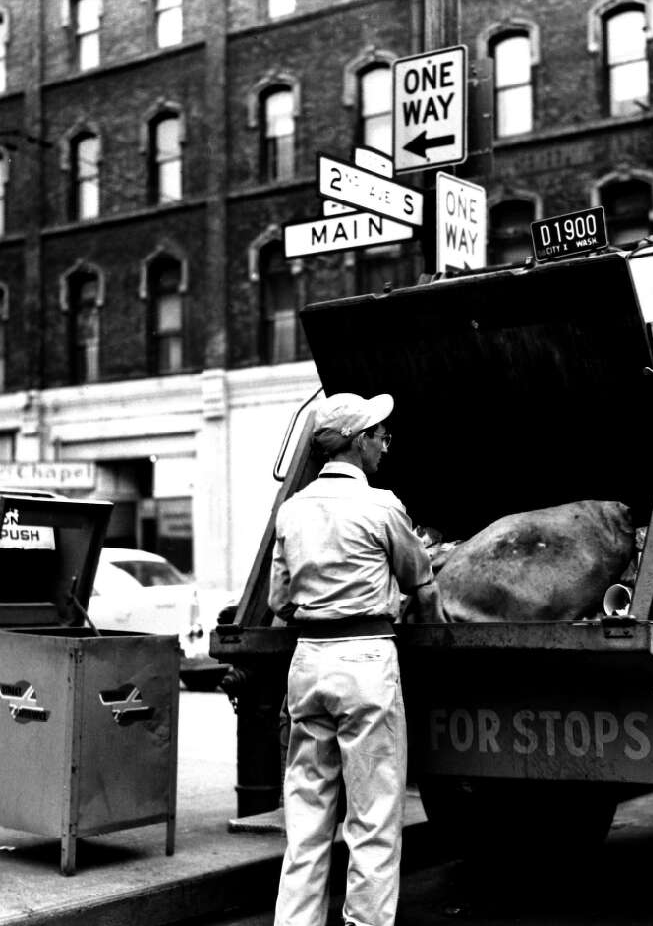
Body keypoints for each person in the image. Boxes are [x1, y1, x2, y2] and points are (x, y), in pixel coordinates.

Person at [270, 391, 444, 926]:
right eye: (380, 435)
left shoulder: (292, 509)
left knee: (307, 817)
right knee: (371, 817)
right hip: (366, 661)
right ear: (359, 442)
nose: (385, 444)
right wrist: (437, 631)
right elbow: (421, 579)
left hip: (309, 662)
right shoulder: (381, 505)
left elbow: (279, 600)